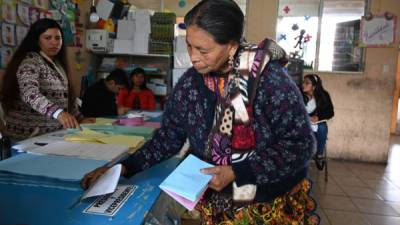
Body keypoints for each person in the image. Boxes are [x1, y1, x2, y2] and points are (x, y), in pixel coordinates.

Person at [81, 1, 319, 224]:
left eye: (203, 50)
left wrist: (237, 172)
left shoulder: (270, 82)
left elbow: (301, 145)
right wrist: (124, 167)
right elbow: (168, 138)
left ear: (231, 47)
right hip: (217, 203)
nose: (193, 57)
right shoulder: (190, 85)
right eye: (189, 46)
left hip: (266, 203)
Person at [0, 18, 93, 141]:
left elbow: (64, 99)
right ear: (37, 40)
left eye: (58, 38)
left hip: (51, 136)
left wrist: (79, 118)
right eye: (48, 38)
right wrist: (58, 113)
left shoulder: (58, 64)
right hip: (27, 137)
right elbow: (29, 93)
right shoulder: (30, 60)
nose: (54, 43)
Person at [303, 74, 334, 170]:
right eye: (303, 82)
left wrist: (318, 117)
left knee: (322, 127)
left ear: (314, 86)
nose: (303, 85)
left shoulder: (323, 96)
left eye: (307, 83)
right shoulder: (300, 95)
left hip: (316, 124)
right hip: (303, 124)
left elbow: (330, 112)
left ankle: (319, 153)